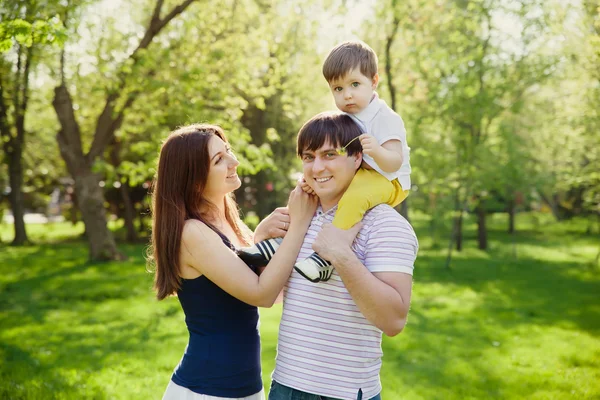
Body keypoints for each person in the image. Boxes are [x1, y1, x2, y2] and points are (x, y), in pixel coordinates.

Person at [149, 124, 317, 400]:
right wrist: (298, 225)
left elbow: (272, 292)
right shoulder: (193, 233)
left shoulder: (227, 221)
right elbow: (261, 294)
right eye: (219, 160)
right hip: (207, 391)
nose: (234, 161)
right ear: (193, 179)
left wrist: (260, 239)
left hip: (244, 388)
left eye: (227, 151)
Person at [268, 112, 419, 400]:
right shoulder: (300, 215)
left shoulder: (385, 224)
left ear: (357, 158)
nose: (317, 167)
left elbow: (393, 321)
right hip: (285, 385)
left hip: (344, 393)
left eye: (330, 155)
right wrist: (263, 238)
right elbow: (272, 297)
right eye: (309, 157)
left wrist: (341, 256)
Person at [238, 40, 412, 282]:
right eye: (338, 89)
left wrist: (378, 151)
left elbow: (394, 162)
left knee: (356, 197)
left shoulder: (385, 118)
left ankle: (326, 258)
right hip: (361, 172)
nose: (347, 94)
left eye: (354, 84)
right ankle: (280, 241)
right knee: (310, 185)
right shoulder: (346, 116)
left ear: (373, 81)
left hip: (389, 179)